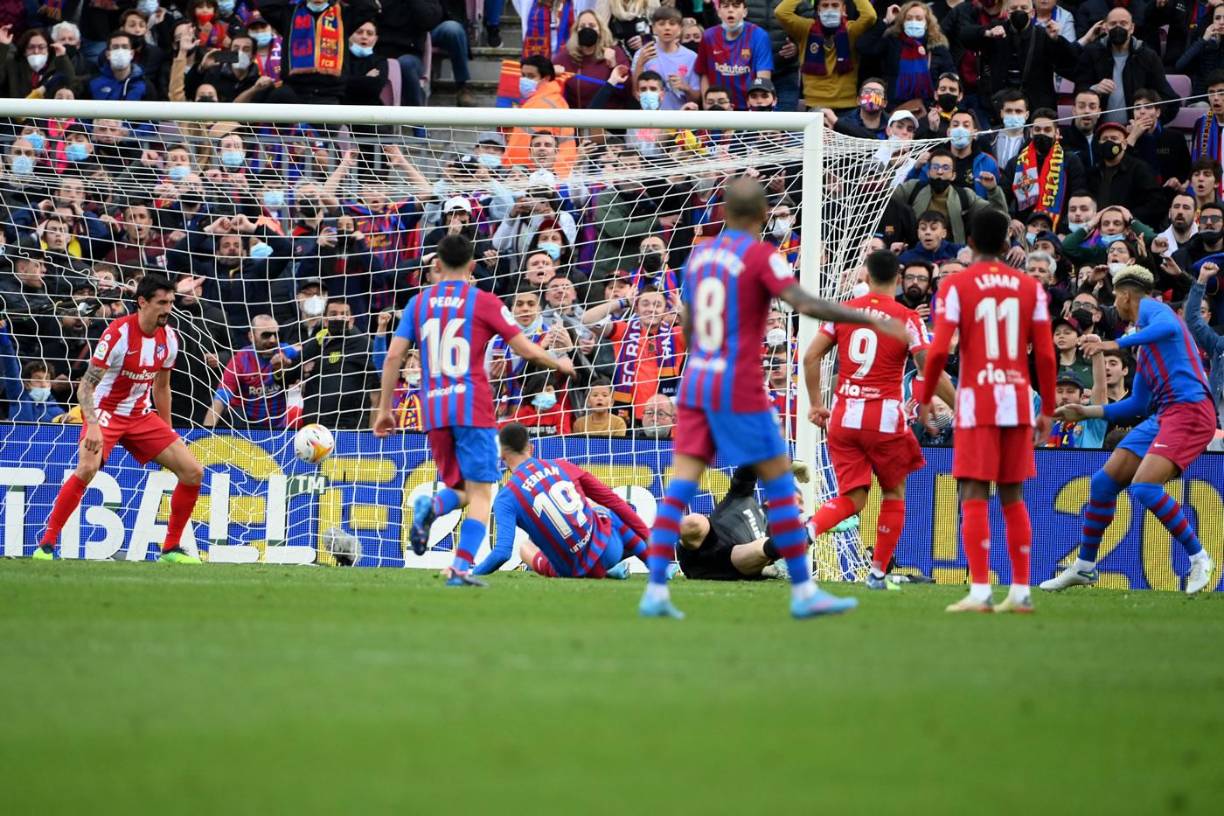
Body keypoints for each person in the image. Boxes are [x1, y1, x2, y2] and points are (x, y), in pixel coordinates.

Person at [639, 177, 907, 620]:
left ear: (724, 213)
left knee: (682, 481)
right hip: (739, 381)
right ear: (764, 215)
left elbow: (687, 321)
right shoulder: (760, 255)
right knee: (780, 481)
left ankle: (654, 591)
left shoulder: (701, 256)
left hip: (697, 380)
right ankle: (803, 591)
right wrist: (865, 318)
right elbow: (804, 303)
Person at [372, 234, 575, 587]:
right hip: (473, 407)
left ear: (437, 264)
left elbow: (393, 356)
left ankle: (434, 507)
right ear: (472, 266)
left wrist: (384, 409)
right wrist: (560, 363)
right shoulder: (484, 301)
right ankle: (460, 567)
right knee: (482, 492)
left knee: (462, 488)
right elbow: (526, 350)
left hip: (433, 409)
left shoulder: (418, 304)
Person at [1044, 265, 1218, 595]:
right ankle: (1084, 567)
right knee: (1103, 483)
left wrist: (1112, 344)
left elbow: (1171, 325)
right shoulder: (1147, 348)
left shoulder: (1154, 309)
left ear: (1126, 296)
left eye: (1115, 298)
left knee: (1144, 487)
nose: (1115, 305)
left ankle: (1199, 558)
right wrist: (1085, 412)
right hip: (1164, 415)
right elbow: (1137, 404)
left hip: (1191, 411)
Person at [918, 208, 1058, 613]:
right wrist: (1048, 407)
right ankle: (1021, 590)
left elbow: (938, 350)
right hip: (1016, 399)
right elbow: (1045, 354)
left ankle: (980, 591)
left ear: (970, 242)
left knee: (973, 492)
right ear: (1006, 244)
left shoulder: (957, 285)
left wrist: (926, 395)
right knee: (1013, 494)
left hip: (977, 400)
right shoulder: (1030, 288)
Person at [802, 249, 955, 588]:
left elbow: (810, 357)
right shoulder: (906, 318)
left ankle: (809, 530)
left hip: (843, 418)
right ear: (898, 279)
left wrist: (815, 404)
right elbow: (927, 366)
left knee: (854, 498)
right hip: (884, 420)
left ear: (866, 277)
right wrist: (959, 405)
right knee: (894, 493)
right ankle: (877, 573)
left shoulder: (843, 312)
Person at [33, 275, 205, 564]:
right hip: (105, 412)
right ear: (142, 302)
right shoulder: (117, 335)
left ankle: (171, 549)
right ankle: (46, 546)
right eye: (162, 303)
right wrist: (93, 426)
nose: (168, 309)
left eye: (171, 302)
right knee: (87, 468)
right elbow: (85, 387)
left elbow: (162, 387)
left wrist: (167, 430)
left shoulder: (169, 339)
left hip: (139, 415)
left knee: (193, 472)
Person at [472, 422, 649, 577]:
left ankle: (607, 571)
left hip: (571, 571)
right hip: (609, 550)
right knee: (602, 510)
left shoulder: (505, 497)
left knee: (526, 547)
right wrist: (647, 536)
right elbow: (614, 502)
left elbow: (502, 553)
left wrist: (472, 573)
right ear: (531, 448)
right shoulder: (563, 466)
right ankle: (651, 561)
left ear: (502, 454)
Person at [676, 463, 810, 581]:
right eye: (798, 501)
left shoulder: (777, 535)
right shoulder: (743, 496)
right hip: (701, 548)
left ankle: (767, 570)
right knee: (695, 522)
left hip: (732, 564)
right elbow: (749, 465)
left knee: (764, 546)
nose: (802, 509)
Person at [773, 0, 876, 112]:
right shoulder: (805, 29)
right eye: (825, 5)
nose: (830, 10)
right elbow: (781, 12)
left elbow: (870, 16)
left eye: (835, 5)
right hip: (814, 106)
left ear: (844, 9)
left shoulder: (851, 30)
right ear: (818, 10)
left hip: (847, 106)